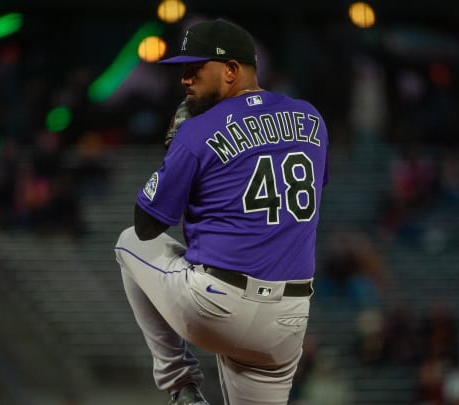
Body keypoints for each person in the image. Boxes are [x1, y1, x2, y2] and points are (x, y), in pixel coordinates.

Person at [114, 18, 329, 405]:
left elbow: (146, 225)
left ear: (231, 70)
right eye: (183, 70)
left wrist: (175, 149)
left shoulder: (198, 130)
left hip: (216, 304)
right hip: (288, 320)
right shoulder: (311, 118)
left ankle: (181, 387)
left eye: (195, 69)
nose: (185, 78)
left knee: (128, 243)